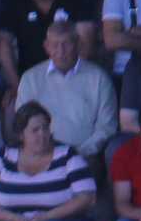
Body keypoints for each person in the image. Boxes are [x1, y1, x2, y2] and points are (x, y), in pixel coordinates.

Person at [12, 16, 117, 162]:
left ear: (78, 44)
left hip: (84, 157)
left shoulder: (99, 78)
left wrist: (78, 153)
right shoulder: (30, 79)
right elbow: (23, 124)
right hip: (40, 157)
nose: (61, 51)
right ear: (46, 47)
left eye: (66, 44)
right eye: (55, 45)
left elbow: (106, 127)